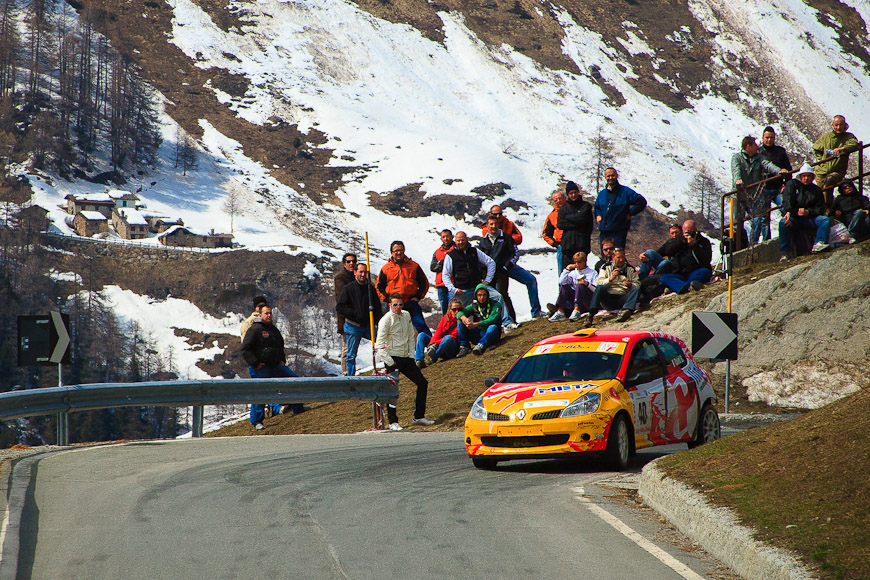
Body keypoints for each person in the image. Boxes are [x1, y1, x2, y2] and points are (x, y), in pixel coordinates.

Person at [375, 293, 434, 430]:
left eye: (400, 304)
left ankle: (419, 416)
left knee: (422, 383)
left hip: (406, 358)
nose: (398, 307)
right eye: (395, 304)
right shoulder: (385, 320)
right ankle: (392, 421)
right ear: (390, 305)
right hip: (393, 358)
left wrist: (411, 355)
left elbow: (410, 335)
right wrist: (390, 362)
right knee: (392, 391)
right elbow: (380, 344)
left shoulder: (406, 315)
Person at [241, 305, 304, 430]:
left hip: (276, 366)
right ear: (260, 315)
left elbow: (280, 346)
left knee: (295, 381)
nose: (269, 315)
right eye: (266, 313)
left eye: (270, 313)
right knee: (261, 393)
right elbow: (245, 349)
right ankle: (257, 421)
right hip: (261, 368)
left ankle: (298, 407)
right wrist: (255, 363)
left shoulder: (274, 330)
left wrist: (282, 360)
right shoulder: (255, 329)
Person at [486, 205, 543, 318]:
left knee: (531, 280)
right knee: (501, 294)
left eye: (500, 214)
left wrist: (507, 240)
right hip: (498, 268)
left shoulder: (509, 224)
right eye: (494, 214)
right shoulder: (486, 227)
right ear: (490, 215)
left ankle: (536, 311)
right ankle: (506, 320)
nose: (497, 216)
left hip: (509, 264)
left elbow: (519, 238)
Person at [731, 135, 789, 244]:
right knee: (736, 223)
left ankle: (753, 245)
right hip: (738, 196)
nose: (757, 147)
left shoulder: (759, 157)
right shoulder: (737, 158)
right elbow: (736, 170)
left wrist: (779, 171)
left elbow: (768, 165)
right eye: (755, 144)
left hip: (753, 196)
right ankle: (737, 246)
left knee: (757, 220)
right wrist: (738, 180)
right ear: (748, 147)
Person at [336, 263, 383, 377]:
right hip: (353, 326)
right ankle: (350, 378)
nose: (363, 274)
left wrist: (380, 324)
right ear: (355, 272)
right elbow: (340, 307)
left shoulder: (370, 289)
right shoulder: (348, 289)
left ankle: (383, 370)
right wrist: (355, 314)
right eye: (360, 272)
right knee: (351, 355)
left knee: (383, 344)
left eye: (365, 272)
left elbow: (377, 309)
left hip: (368, 325)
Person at [376, 241, 431, 337]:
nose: (398, 253)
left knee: (420, 325)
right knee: (391, 330)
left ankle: (431, 346)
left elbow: (424, 283)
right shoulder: (386, 268)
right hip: (393, 305)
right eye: (396, 251)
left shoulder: (414, 266)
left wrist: (418, 296)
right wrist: (387, 299)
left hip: (411, 303)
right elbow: (379, 286)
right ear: (391, 252)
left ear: (404, 251)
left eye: (400, 250)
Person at [778, 164, 832, 260]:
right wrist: (789, 212)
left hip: (810, 218)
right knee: (783, 223)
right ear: (800, 177)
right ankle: (785, 252)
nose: (806, 178)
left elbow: (820, 208)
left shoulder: (816, 190)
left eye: (808, 176)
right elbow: (787, 199)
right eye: (804, 176)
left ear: (812, 177)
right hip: (795, 218)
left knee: (825, 220)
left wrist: (808, 212)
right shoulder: (793, 185)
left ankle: (820, 243)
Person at [478, 216, 520, 324]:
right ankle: (494, 322)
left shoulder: (506, 238)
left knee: (503, 295)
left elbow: (515, 253)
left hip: (501, 272)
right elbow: (479, 259)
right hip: (487, 274)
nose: (493, 226)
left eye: (495, 224)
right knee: (489, 297)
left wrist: (506, 266)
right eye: (491, 224)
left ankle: (511, 320)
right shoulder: (483, 241)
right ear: (486, 226)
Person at [594, 168, 647, 251]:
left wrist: (630, 213)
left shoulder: (625, 192)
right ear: (605, 177)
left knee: (618, 256)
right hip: (604, 231)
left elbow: (641, 201)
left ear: (617, 176)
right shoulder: (602, 194)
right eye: (608, 176)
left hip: (618, 231)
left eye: (613, 175)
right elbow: (597, 207)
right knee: (605, 257)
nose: (610, 178)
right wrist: (598, 215)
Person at [584, 248, 640, 326]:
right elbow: (599, 282)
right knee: (600, 288)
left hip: (622, 297)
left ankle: (626, 311)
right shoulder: (606, 267)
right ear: (613, 257)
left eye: (623, 258)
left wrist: (630, 285)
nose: (621, 260)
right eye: (618, 258)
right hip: (608, 298)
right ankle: (590, 315)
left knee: (635, 290)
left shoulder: (630, 269)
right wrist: (611, 279)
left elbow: (637, 283)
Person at [755, 127, 793, 243]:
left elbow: (788, 170)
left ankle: (788, 237)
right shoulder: (758, 153)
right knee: (764, 218)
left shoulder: (780, 151)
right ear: (762, 138)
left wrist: (785, 185)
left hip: (778, 188)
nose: (769, 140)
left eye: (771, 137)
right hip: (763, 189)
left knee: (785, 210)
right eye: (767, 137)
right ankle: (766, 241)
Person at [812, 115, 860, 203]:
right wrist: (822, 159)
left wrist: (842, 149)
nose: (838, 127)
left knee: (828, 185)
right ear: (832, 125)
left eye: (841, 125)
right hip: (822, 170)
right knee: (818, 192)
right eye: (836, 125)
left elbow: (854, 144)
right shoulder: (826, 137)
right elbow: (816, 148)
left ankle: (828, 210)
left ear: (845, 125)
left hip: (837, 171)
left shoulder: (848, 137)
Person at [659, 221, 713, 295]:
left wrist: (695, 245)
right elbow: (668, 250)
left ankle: (681, 286)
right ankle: (687, 286)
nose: (688, 234)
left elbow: (707, 259)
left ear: (695, 230)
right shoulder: (678, 240)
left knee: (704, 272)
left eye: (690, 231)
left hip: (696, 271)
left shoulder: (703, 241)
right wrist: (681, 241)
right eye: (685, 232)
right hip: (680, 274)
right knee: (664, 278)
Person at [549, 252, 597, 322]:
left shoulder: (592, 273)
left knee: (581, 285)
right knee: (565, 286)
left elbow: (596, 290)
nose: (577, 264)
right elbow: (561, 282)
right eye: (575, 262)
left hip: (587, 300)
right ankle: (560, 311)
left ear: (584, 262)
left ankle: (577, 310)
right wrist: (567, 269)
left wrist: (586, 284)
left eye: (579, 262)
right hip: (575, 300)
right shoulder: (573, 273)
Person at [457, 284, 502, 356]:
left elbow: (492, 319)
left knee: (493, 327)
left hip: (491, 334)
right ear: (476, 296)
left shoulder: (495, 305)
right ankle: (464, 346)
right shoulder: (474, 306)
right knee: (460, 321)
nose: (482, 297)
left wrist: (477, 324)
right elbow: (459, 313)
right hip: (478, 333)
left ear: (487, 295)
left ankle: (481, 345)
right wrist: (464, 318)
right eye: (479, 295)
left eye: (484, 295)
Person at [557, 180, 594, 265]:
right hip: (568, 246)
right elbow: (560, 224)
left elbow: (586, 222)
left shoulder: (586, 206)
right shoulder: (564, 208)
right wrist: (579, 223)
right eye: (571, 193)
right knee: (568, 273)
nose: (573, 195)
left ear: (578, 192)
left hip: (582, 244)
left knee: (582, 271)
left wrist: (568, 218)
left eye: (575, 192)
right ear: (568, 195)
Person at [419, 298, 462, 367]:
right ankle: (419, 360)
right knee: (421, 335)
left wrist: (436, 344)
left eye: (459, 310)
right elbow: (438, 332)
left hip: (452, 347)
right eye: (454, 309)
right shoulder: (445, 318)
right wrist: (431, 344)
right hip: (441, 344)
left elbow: (454, 335)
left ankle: (435, 356)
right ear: (450, 310)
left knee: (448, 338)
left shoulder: (461, 320)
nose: (456, 312)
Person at [333, 253, 357, 375]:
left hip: (360, 319)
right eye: (348, 262)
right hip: (346, 318)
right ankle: (346, 372)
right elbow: (341, 298)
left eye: (353, 261)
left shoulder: (358, 276)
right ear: (344, 264)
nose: (351, 263)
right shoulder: (340, 278)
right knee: (347, 348)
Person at [429, 230, 455, 315]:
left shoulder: (456, 249)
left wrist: (441, 263)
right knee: (444, 308)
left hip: (453, 283)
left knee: (454, 307)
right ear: (441, 239)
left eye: (447, 236)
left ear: (452, 237)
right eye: (443, 237)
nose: (446, 239)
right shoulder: (437, 252)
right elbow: (433, 267)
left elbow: (456, 263)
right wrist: (445, 263)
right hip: (441, 284)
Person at [542, 189, 566, 273]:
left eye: (560, 198)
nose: (558, 201)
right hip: (562, 247)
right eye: (556, 199)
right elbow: (545, 234)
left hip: (575, 245)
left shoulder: (573, 210)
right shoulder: (552, 215)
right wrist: (555, 244)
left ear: (564, 198)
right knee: (562, 275)